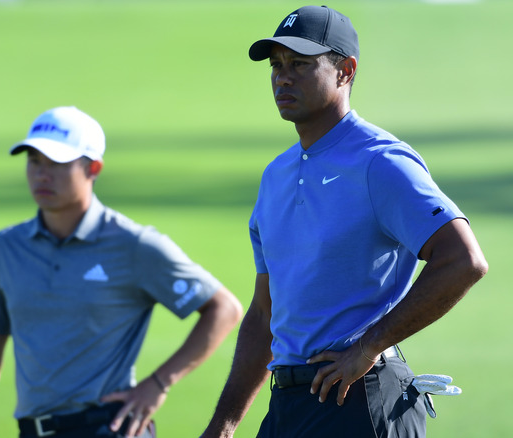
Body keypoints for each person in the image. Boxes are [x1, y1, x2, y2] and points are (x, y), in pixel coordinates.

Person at [201, 5, 488, 438]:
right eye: (277, 65)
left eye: (300, 64)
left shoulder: (381, 162)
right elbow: (265, 314)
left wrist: (369, 345)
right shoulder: (276, 175)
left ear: (344, 71)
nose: (283, 76)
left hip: (359, 401)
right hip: (289, 407)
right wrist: (222, 427)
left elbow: (463, 260)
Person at [0, 106, 243, 438]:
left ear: (93, 168)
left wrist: (159, 383)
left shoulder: (133, 244)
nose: (42, 174)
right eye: (34, 161)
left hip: (109, 428)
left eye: (57, 163)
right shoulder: (5, 248)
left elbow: (224, 309)